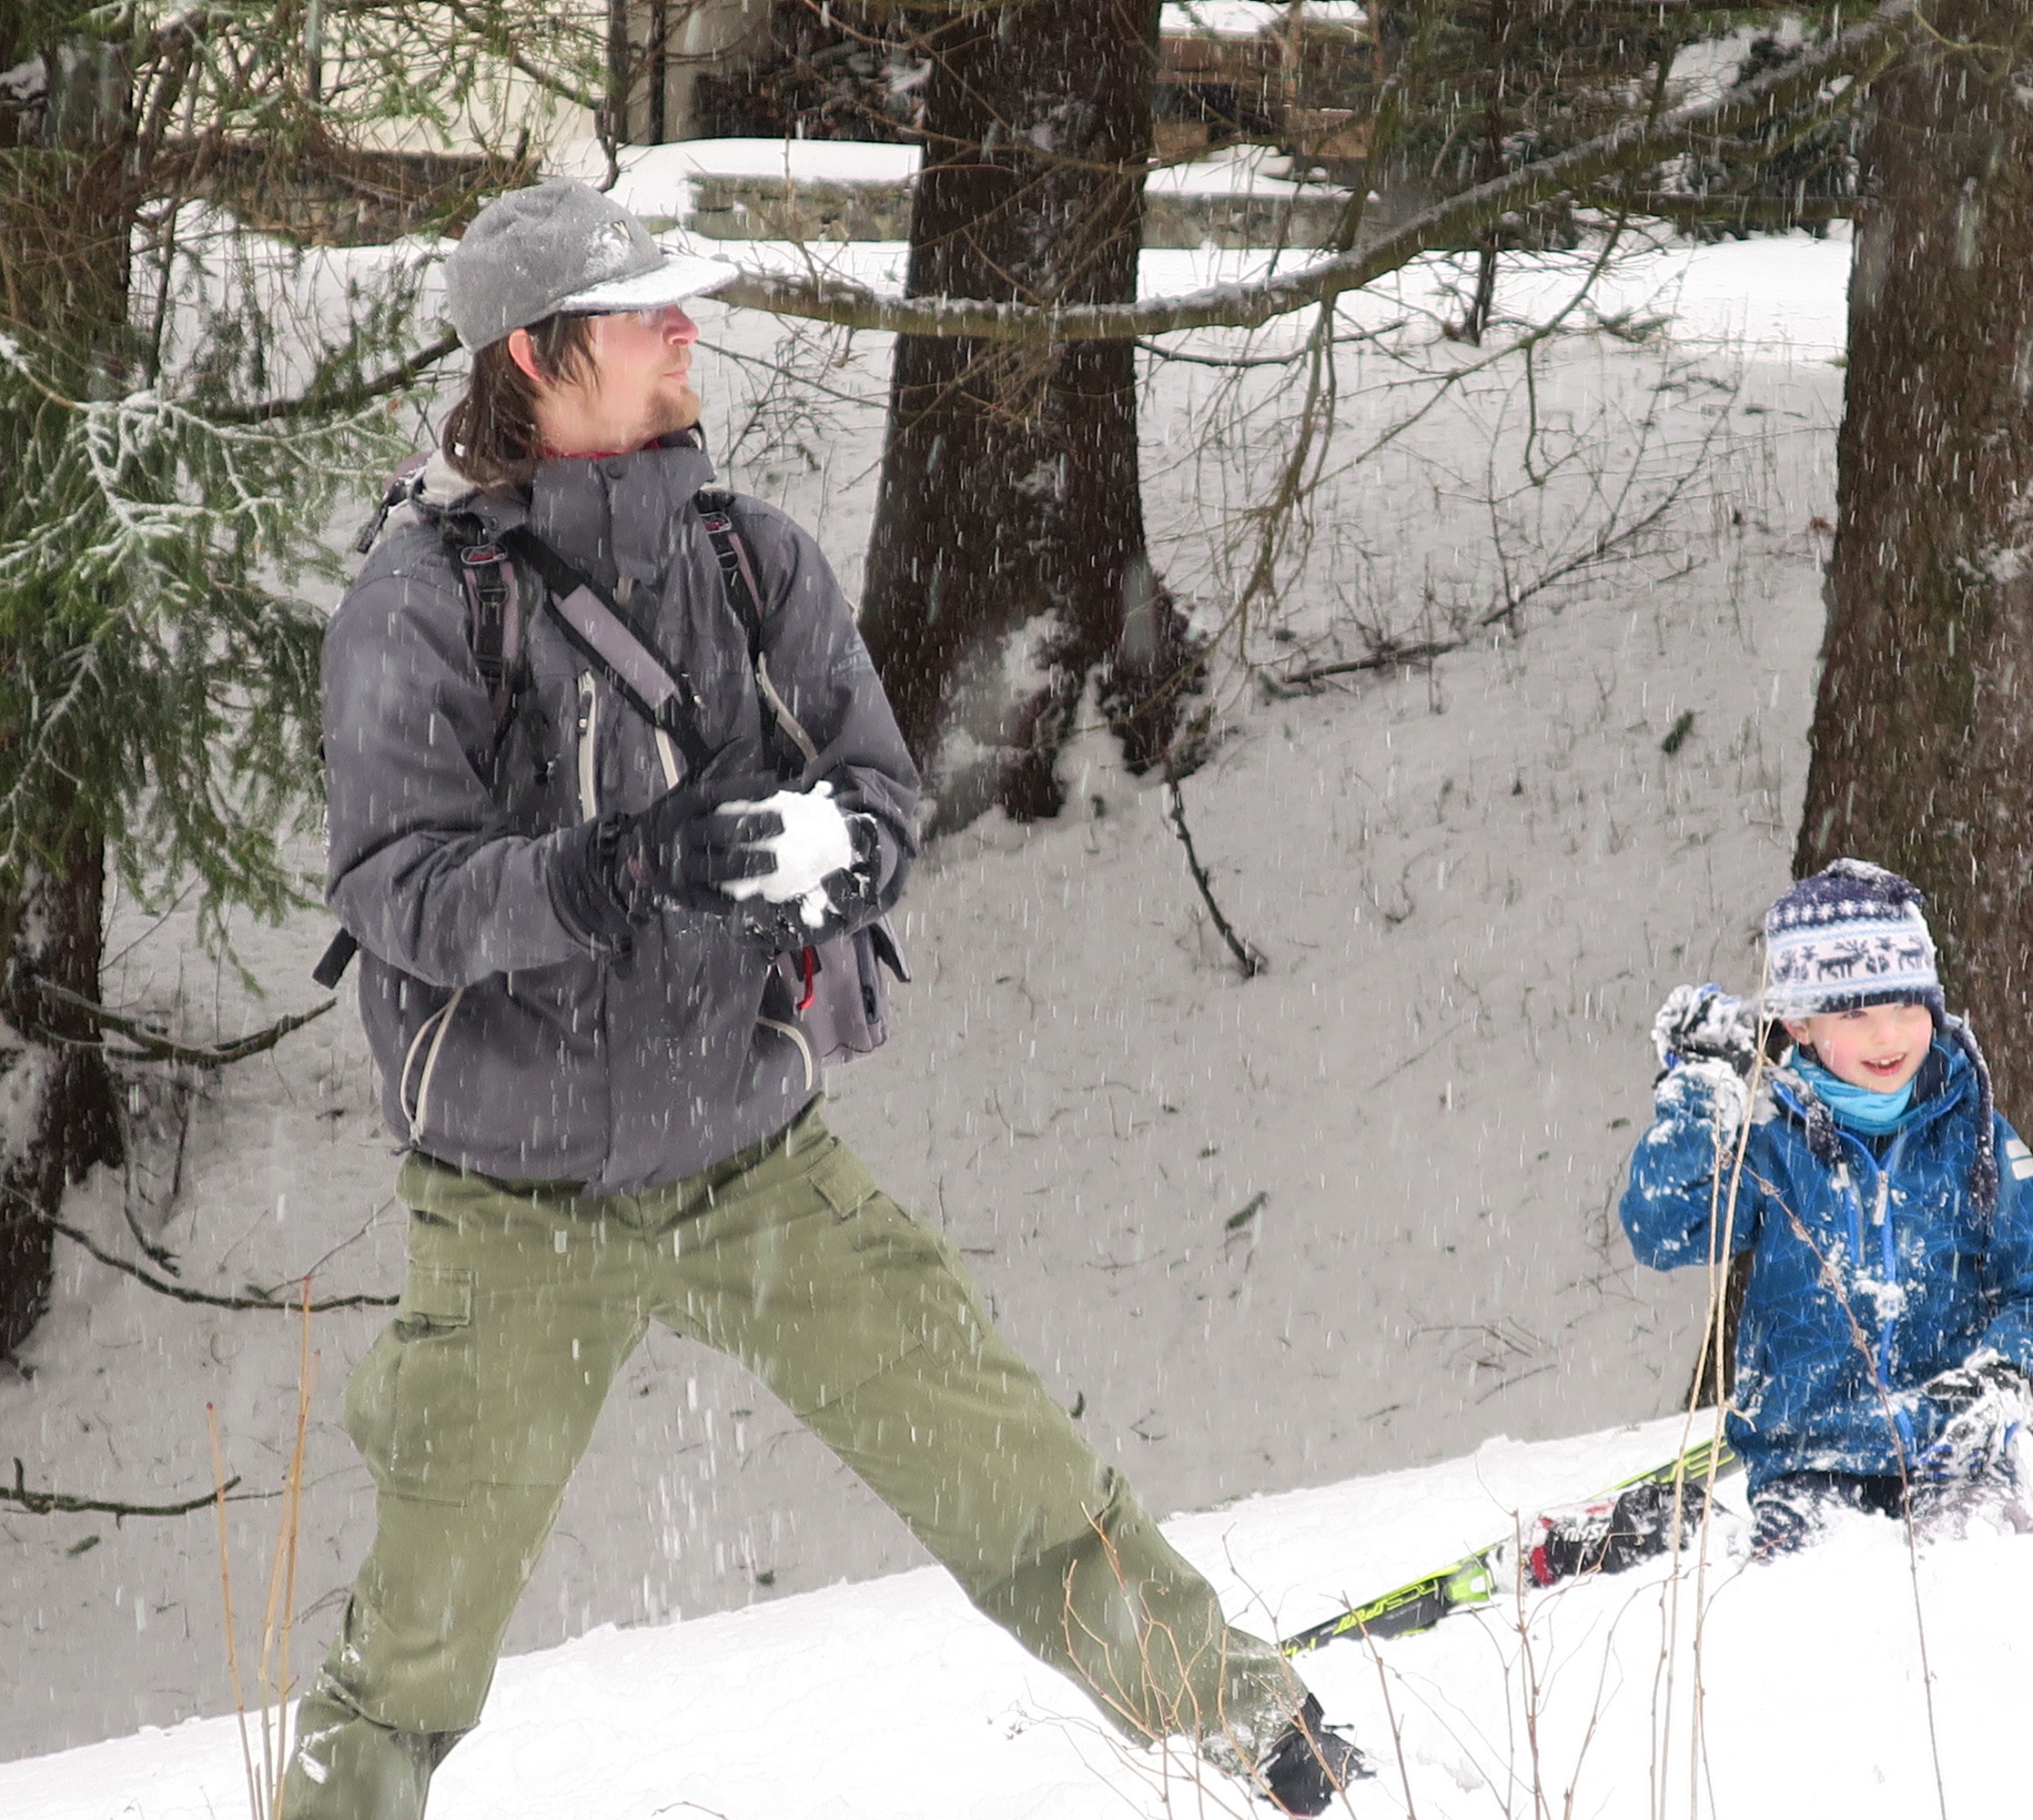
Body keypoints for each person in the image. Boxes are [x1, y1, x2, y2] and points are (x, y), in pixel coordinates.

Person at [293, 179, 1360, 1817]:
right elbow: (397, 891)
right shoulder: (426, 604)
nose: (684, 331)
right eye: (644, 314)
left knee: (1010, 1466)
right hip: (512, 1205)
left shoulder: (752, 558)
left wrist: (837, 862)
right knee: (424, 1629)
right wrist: (609, 871)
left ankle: (1259, 1734)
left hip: (755, 1161)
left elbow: (881, 790)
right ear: (534, 356)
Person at [1618, 859, 2033, 1552]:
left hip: (1957, 1445)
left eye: (1907, 1007)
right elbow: (1665, 1229)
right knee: (1813, 1588)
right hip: (1810, 1456)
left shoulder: (1972, 1134)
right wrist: (1699, 1091)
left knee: (1973, 1567)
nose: (1888, 1036)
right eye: (1855, 1013)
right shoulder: (1768, 1142)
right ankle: (1689, 1540)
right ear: (1799, 1024)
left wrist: (2005, 1374)